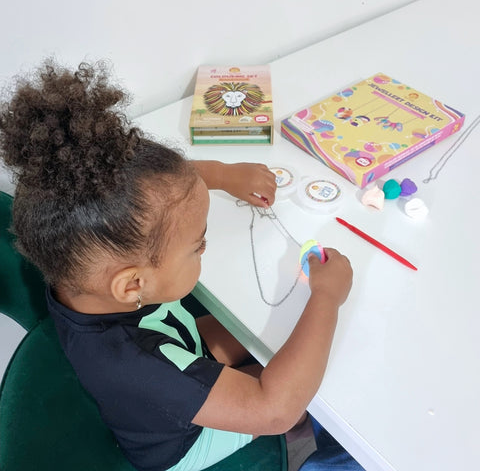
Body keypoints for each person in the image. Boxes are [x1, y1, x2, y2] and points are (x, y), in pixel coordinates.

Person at [0, 60, 360, 471]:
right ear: (133, 285)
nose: (204, 249)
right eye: (198, 245)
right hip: (182, 444)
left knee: (275, 337)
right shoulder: (137, 364)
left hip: (178, 344)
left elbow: (162, 186)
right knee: (297, 400)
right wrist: (328, 297)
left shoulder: (88, 267)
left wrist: (222, 175)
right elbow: (272, 410)